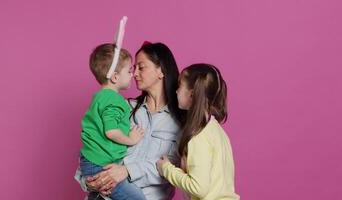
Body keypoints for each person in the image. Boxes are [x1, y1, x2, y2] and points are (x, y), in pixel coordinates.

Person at [75, 42, 184, 200]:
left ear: (160, 71)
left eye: (141, 67)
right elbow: (94, 145)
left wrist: (127, 170)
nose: (134, 73)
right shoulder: (124, 108)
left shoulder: (179, 121)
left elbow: (172, 168)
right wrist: (88, 181)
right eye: (133, 68)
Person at [156, 64, 240, 200]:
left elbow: (198, 188)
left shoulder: (198, 135)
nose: (176, 91)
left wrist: (166, 169)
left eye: (180, 86)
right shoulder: (217, 130)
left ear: (192, 93)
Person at [79, 43, 146, 200]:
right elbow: (111, 131)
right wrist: (131, 139)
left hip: (91, 163)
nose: (133, 74)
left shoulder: (100, 96)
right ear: (115, 77)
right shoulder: (114, 100)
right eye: (129, 71)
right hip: (99, 167)